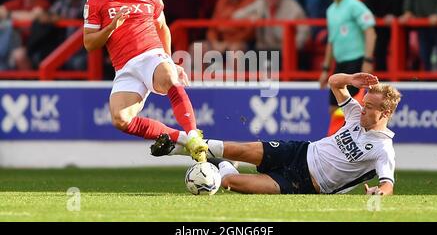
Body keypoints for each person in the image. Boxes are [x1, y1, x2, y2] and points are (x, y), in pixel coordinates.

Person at [152, 72, 401, 195]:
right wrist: (351, 78)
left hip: (304, 183)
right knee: (238, 148)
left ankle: (222, 164)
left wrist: (378, 193)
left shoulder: (382, 149)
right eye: (364, 103)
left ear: (385, 112)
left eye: (369, 107)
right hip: (300, 151)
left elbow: (387, 183)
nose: (363, 109)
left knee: (229, 182)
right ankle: (179, 143)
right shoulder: (356, 114)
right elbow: (335, 82)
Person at [82, 0, 208, 162]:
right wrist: (112, 27)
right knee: (121, 119)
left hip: (151, 55)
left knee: (169, 78)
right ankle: (184, 140)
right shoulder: (96, 0)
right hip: (124, 67)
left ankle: (194, 135)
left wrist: (169, 60)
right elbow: (89, 43)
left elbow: (162, 27)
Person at [320, 0, 376, 116]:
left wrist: (368, 60)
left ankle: (357, 139)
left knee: (354, 108)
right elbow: (331, 41)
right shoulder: (330, 10)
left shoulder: (354, 5)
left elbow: (370, 32)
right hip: (340, 64)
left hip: (355, 62)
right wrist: (326, 68)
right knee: (334, 108)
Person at [233, 0, 310, 70]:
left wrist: (293, 46)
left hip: (285, 50)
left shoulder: (291, 5)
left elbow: (304, 30)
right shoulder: (259, 3)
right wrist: (250, 18)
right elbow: (236, 16)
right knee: (246, 59)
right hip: (262, 49)